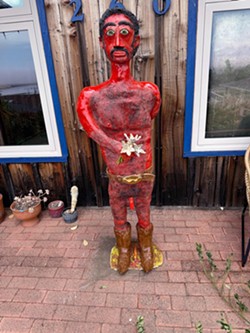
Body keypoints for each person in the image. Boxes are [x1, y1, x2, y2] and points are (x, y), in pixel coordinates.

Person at [77, 4, 161, 274]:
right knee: (118, 212)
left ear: (135, 40)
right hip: (117, 175)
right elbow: (91, 129)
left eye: (124, 33)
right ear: (102, 43)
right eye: (109, 34)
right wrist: (114, 144)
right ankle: (124, 248)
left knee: (145, 211)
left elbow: (151, 116)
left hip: (144, 173)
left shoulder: (149, 92)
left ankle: (146, 247)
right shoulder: (91, 97)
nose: (117, 41)